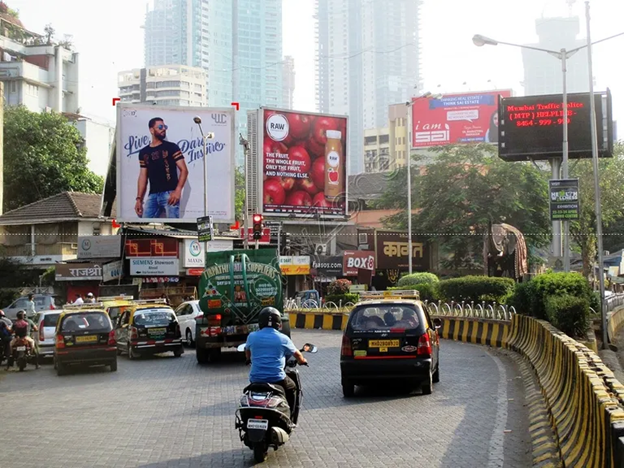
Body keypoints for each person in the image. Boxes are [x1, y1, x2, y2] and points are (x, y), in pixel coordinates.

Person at [245, 307, 307, 416]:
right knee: (293, 387)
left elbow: (247, 350)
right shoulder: (283, 338)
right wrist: (302, 361)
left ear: (260, 322)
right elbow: (297, 354)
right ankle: (291, 416)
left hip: (255, 379)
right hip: (277, 379)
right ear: (279, 323)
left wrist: (248, 359)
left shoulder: (252, 336)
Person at [135, 118, 189, 219]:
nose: (163, 129)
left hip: (169, 194)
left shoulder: (172, 147)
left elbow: (184, 170)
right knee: (144, 225)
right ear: (151, 130)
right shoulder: (144, 152)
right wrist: (139, 199)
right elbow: (143, 176)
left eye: (165, 127)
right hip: (152, 196)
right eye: (160, 127)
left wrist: (177, 191)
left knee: (172, 226)